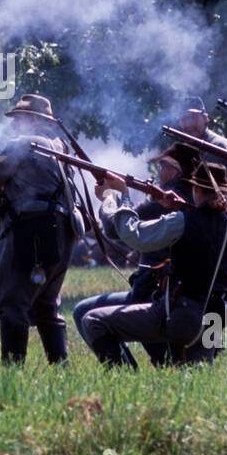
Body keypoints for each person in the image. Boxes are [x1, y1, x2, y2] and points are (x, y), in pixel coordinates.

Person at [81, 161, 227, 368]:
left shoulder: (182, 221)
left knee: (92, 321)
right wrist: (185, 210)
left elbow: (134, 235)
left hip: (180, 316)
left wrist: (117, 195)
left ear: (195, 189)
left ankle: (122, 379)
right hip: (212, 319)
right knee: (194, 384)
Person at [0, 93, 76, 364]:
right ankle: (60, 364)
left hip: (33, 229)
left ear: (32, 119)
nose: (14, 124)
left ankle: (12, 369)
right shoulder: (60, 145)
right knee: (46, 304)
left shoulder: (22, 144)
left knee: (11, 302)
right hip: (62, 230)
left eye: (18, 118)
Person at [72, 142, 189, 367]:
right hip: (163, 292)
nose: (157, 173)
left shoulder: (168, 200)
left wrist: (110, 197)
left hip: (153, 295)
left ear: (175, 172)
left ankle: (123, 373)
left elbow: (113, 229)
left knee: (83, 313)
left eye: (162, 166)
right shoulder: (179, 200)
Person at [173, 96, 227, 220]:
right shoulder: (186, 150)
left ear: (205, 118)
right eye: (184, 118)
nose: (189, 123)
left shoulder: (221, 147)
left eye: (193, 117)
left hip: (222, 232)